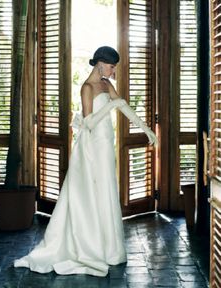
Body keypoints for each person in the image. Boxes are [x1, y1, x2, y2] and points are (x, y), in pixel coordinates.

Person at [14, 46, 157, 277]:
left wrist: (146, 129)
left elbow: (124, 107)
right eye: (112, 67)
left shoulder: (107, 85)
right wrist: (111, 106)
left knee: (107, 191)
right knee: (92, 194)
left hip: (105, 146)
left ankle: (109, 249)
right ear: (100, 63)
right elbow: (89, 124)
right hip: (92, 147)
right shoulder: (88, 87)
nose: (113, 72)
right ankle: (90, 246)